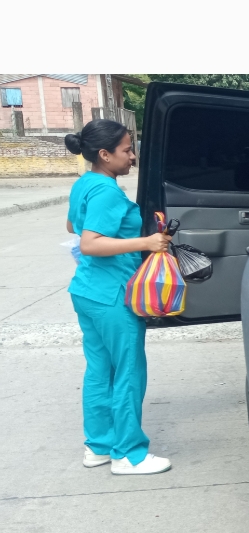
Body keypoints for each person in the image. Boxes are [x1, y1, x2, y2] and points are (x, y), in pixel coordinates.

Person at [65, 119, 173, 474]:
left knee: (100, 371)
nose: (133, 156)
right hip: (113, 295)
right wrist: (147, 242)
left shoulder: (85, 183)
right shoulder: (107, 191)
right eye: (127, 150)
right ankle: (128, 454)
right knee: (128, 372)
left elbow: (72, 225)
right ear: (104, 154)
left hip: (87, 291)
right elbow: (89, 243)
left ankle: (98, 446)